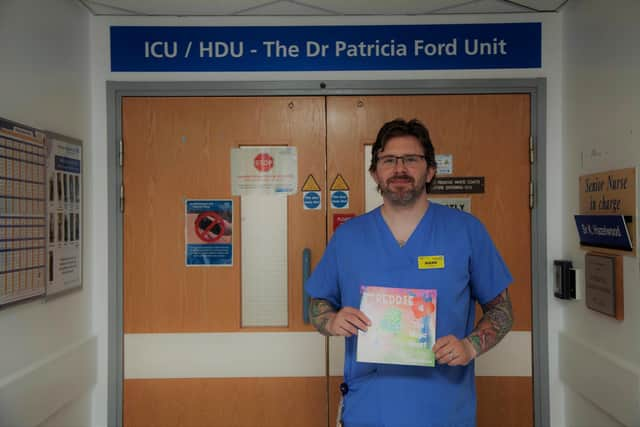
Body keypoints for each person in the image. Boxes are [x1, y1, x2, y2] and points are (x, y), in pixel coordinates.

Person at [305, 118, 514, 427]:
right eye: (388, 160)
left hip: (444, 410)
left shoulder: (466, 232)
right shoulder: (348, 237)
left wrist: (470, 346)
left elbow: (502, 310)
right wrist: (331, 320)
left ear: (430, 170)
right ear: (375, 171)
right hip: (367, 408)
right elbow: (316, 305)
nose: (399, 168)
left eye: (411, 159)